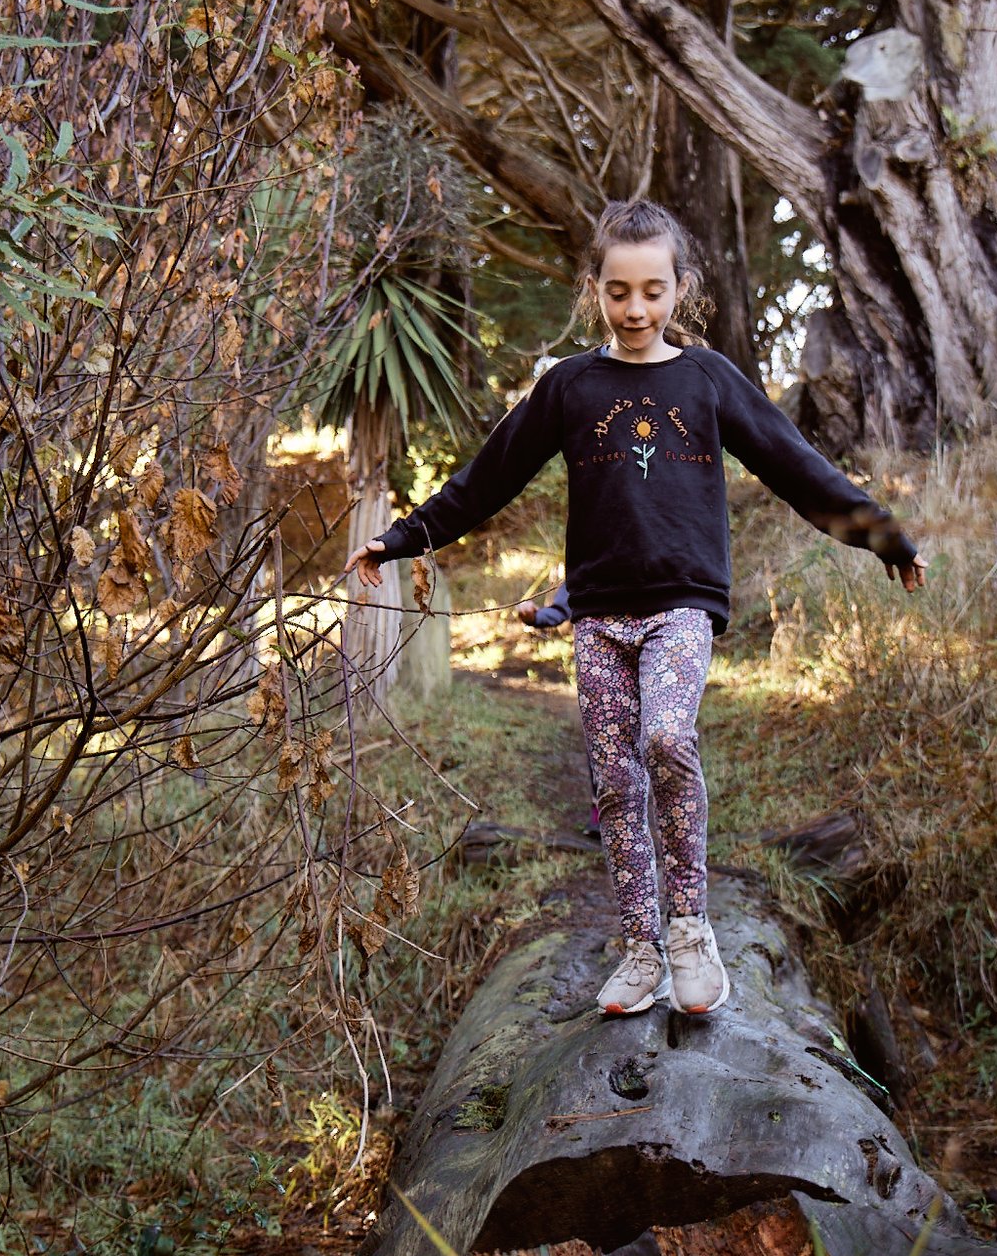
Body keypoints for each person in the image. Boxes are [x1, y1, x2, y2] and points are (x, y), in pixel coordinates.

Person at [346, 199, 926, 1018]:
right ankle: (639, 946)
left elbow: (798, 469)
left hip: (682, 606)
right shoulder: (570, 387)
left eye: (653, 291)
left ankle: (690, 927)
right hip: (599, 613)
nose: (636, 309)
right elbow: (489, 477)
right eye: (619, 292)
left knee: (665, 737)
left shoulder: (708, 380)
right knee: (615, 781)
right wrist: (402, 539)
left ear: (680, 288)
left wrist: (888, 540)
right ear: (595, 289)